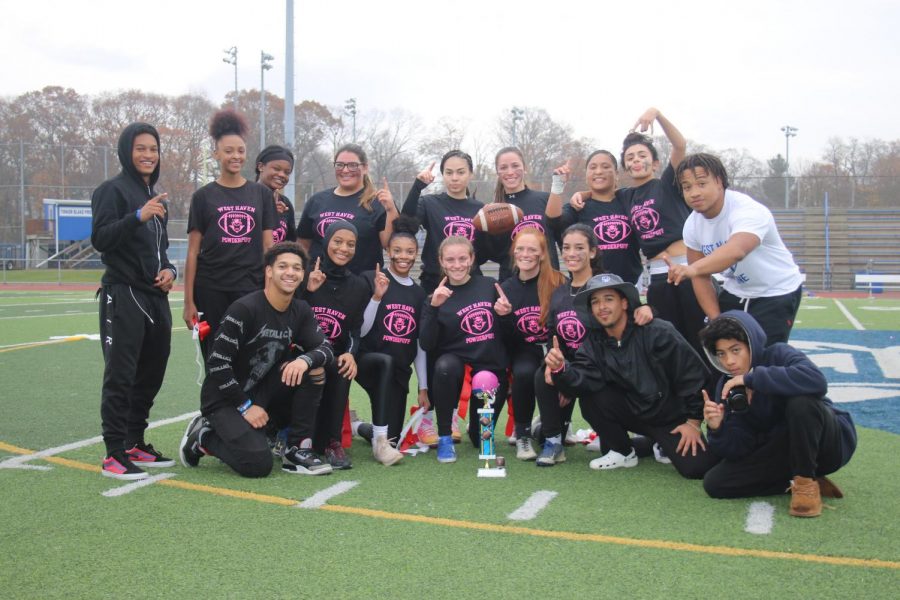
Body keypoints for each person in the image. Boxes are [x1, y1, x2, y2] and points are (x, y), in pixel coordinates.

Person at [179, 242, 334, 477]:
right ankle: (204, 435)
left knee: (313, 370)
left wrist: (304, 360)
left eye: (296, 268)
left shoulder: (300, 310)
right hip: (225, 398)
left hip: (262, 390)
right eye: (283, 266)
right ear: (269, 271)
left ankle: (296, 449)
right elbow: (218, 363)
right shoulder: (244, 309)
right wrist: (245, 406)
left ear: (303, 274)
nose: (290, 272)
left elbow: (326, 348)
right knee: (258, 464)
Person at [545, 273, 719, 478]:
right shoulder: (593, 341)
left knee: (697, 469)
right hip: (632, 412)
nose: (602, 307)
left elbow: (693, 375)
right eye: (595, 302)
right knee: (592, 394)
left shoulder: (657, 331)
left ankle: (655, 442)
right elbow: (582, 378)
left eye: (609, 299)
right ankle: (622, 451)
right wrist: (560, 369)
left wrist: (693, 422)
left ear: (624, 302)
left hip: (670, 417)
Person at [572, 109, 707, 354]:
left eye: (642, 155)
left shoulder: (668, 183)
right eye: (630, 157)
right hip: (658, 275)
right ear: (625, 167)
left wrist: (657, 114)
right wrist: (581, 194)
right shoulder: (626, 196)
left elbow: (680, 145)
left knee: (701, 335)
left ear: (655, 163)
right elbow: (602, 192)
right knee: (669, 342)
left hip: (688, 267)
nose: (636, 160)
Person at [699, 311, 857, 517]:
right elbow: (740, 448)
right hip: (784, 449)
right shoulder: (726, 385)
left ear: (750, 343)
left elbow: (816, 381)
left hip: (825, 442)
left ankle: (805, 485)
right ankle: (801, 475)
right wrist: (717, 427)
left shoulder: (778, 354)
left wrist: (752, 379)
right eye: (721, 354)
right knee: (716, 484)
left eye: (735, 350)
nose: (729, 361)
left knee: (801, 401)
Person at [90, 122, 177, 480]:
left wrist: (170, 270)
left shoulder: (154, 197)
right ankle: (113, 452)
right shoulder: (112, 191)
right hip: (123, 294)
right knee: (121, 374)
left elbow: (161, 250)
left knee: (152, 371)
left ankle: (134, 441)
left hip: (155, 297)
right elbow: (101, 238)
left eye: (153, 149)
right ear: (127, 151)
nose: (147, 155)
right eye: (140, 148)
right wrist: (136, 216)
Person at [666, 153, 805, 345]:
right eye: (687, 187)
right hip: (737, 291)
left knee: (764, 356)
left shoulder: (748, 210)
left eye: (701, 183)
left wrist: (693, 268)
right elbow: (701, 277)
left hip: (776, 290)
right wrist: (716, 319)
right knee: (727, 350)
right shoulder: (692, 224)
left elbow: (736, 250)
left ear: (719, 181)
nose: (694, 193)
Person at [182, 110, 275, 361]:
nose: (236, 156)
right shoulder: (203, 196)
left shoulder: (261, 194)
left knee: (248, 357)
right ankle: (215, 403)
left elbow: (269, 247)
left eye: (241, 151)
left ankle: (247, 402)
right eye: (228, 151)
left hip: (250, 287)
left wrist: (270, 290)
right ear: (216, 154)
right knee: (216, 357)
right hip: (212, 288)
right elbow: (192, 251)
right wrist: (188, 300)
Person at [420, 236, 510, 463]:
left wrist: (506, 316)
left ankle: (476, 427)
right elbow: (427, 344)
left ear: (471, 259)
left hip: (489, 369)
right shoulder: (436, 295)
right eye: (450, 259)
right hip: (456, 365)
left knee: (480, 440)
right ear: (441, 261)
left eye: (462, 258)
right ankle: (445, 438)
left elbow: (508, 335)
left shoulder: (489, 286)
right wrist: (433, 307)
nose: (457, 264)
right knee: (444, 366)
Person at [353, 215, 429, 464]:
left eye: (409, 251)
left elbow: (419, 344)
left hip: (397, 372)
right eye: (397, 250)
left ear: (416, 254)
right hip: (369, 362)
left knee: (391, 437)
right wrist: (376, 297)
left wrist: (423, 387)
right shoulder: (370, 278)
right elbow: (361, 331)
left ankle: (359, 427)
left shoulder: (418, 294)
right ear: (388, 251)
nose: (403, 256)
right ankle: (378, 440)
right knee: (384, 360)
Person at [301, 220, 370, 469]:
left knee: (341, 367)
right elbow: (289, 316)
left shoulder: (359, 285)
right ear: (326, 242)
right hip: (301, 354)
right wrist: (307, 290)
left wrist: (351, 354)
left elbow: (354, 329)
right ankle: (292, 436)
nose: (344, 248)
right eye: (338, 242)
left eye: (350, 244)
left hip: (332, 355)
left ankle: (332, 441)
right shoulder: (306, 274)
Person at [494, 226, 566, 460]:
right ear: (514, 252)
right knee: (524, 372)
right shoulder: (506, 288)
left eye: (532, 249)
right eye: (520, 249)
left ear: (543, 254)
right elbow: (510, 340)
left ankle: (553, 426)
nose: (525, 254)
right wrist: (504, 318)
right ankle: (523, 433)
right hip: (525, 350)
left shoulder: (557, 282)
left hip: (555, 350)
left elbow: (566, 326)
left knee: (551, 437)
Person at [401, 150, 493, 294]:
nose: (454, 178)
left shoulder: (481, 209)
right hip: (435, 282)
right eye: (449, 173)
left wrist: (494, 232)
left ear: (471, 174)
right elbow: (405, 222)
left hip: (469, 282)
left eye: (460, 172)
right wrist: (417, 186)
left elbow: (483, 254)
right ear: (442, 174)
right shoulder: (430, 203)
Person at [298, 143, 397, 274]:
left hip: (360, 285)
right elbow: (303, 244)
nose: (345, 170)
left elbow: (388, 244)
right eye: (340, 165)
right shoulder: (317, 200)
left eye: (352, 165)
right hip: (319, 283)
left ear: (365, 167)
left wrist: (391, 209)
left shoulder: (377, 202)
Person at [547, 151, 643, 285]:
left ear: (616, 174)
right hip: (589, 288)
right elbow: (553, 220)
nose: (598, 171)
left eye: (605, 167)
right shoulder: (578, 206)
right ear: (586, 175)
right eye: (592, 167)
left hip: (629, 285)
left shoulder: (628, 200)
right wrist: (558, 184)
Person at [492, 147, 560, 280]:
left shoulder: (545, 199)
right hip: (513, 284)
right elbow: (494, 252)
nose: (510, 172)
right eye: (504, 167)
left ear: (525, 167)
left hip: (548, 281)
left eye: (515, 165)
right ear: (497, 172)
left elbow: (562, 236)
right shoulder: (493, 211)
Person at [256, 144, 297, 243]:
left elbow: (290, 242)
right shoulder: (244, 197)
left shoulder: (285, 204)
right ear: (261, 167)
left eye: (287, 172)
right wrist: (268, 214)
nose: (282, 175)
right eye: (276, 169)